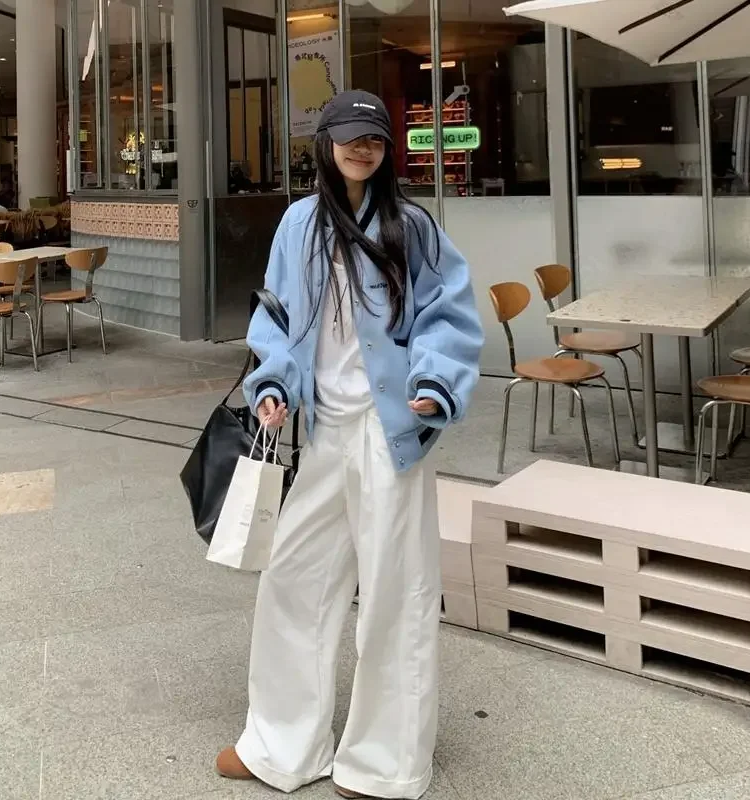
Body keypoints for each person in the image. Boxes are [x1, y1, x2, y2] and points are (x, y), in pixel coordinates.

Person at [216, 90, 484, 800]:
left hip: (392, 434)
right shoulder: (298, 223)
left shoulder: (413, 226)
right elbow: (275, 314)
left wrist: (434, 382)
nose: (361, 148)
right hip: (325, 430)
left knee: (398, 592)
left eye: (374, 138)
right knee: (292, 580)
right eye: (349, 136)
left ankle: (385, 765)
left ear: (387, 148)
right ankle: (280, 745)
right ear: (326, 143)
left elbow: (448, 314)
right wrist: (273, 383)